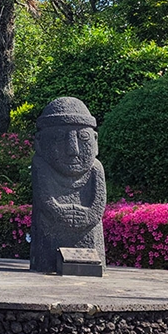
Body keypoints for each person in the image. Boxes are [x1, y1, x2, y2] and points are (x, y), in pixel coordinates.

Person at [29, 97, 107, 273]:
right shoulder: (41, 165)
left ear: (95, 141)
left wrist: (87, 216)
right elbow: (45, 200)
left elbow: (98, 205)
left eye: (83, 137)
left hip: (88, 229)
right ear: (39, 142)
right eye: (59, 138)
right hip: (51, 229)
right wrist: (59, 212)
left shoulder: (95, 168)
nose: (73, 150)